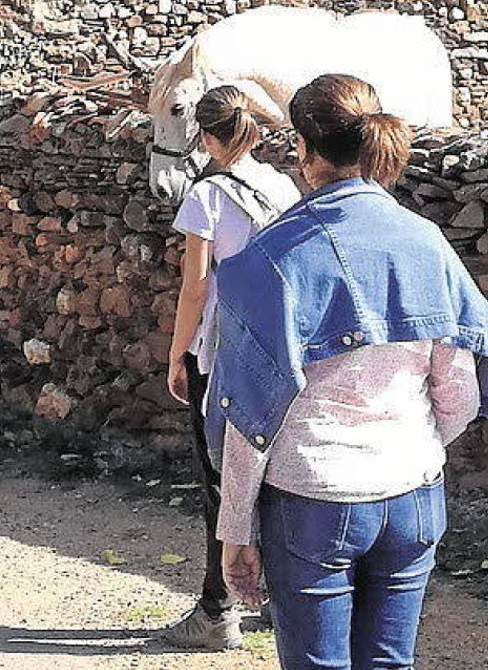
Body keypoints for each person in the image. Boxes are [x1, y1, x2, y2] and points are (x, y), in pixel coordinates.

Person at [210, 74, 486, 669]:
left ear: (305, 152)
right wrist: (413, 445)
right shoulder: (428, 241)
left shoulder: (268, 261)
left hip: (314, 499)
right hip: (414, 494)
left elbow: (249, 418)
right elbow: (460, 390)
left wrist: (234, 531)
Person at [163, 86, 301, 650]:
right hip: (278, 352)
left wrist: (179, 352)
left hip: (222, 353)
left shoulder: (207, 196)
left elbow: (196, 289)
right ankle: (279, 602)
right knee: (277, 479)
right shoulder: (285, 186)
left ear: (207, 138)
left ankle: (218, 612)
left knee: (222, 482)